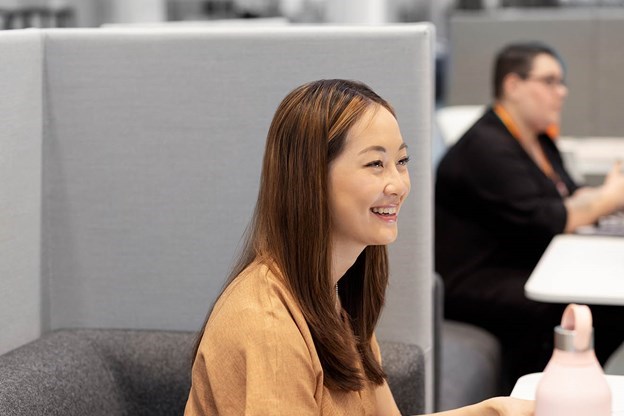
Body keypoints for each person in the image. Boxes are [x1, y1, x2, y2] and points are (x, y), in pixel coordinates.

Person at [185, 79, 533, 415]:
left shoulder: (335, 293)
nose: (398, 184)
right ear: (312, 179)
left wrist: (494, 410)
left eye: (401, 162)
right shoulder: (269, 325)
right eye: (375, 164)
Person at [435, 42, 624, 385]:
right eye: (550, 81)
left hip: (523, 261)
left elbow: (568, 193)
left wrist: (607, 195)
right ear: (513, 85)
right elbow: (548, 219)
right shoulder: (486, 147)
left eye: (561, 82)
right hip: (477, 280)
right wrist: (610, 197)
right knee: (601, 311)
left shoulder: (536, 138)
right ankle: (543, 391)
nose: (561, 91)